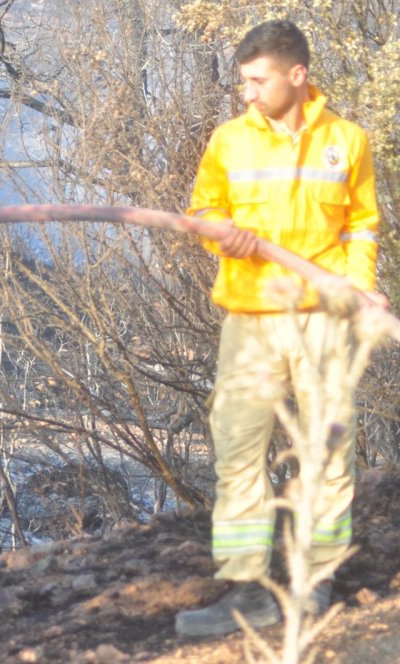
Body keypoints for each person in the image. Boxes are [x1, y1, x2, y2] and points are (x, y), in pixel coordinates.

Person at [174, 20, 384, 638]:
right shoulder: (229, 142)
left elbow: (361, 226)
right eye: (243, 81)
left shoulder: (347, 141)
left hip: (322, 319)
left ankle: (316, 582)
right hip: (251, 315)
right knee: (238, 449)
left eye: (257, 80)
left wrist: (360, 289)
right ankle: (247, 590)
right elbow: (201, 211)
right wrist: (224, 234)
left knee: (326, 449)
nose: (247, 92)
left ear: (298, 75)